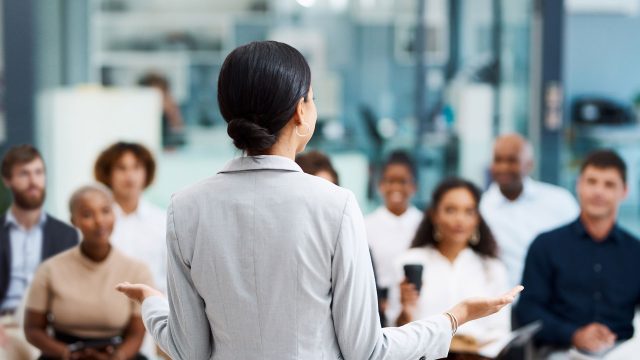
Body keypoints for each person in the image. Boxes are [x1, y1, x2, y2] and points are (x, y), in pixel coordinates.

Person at [116, 40, 522, 360]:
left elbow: (190, 350)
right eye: (311, 97)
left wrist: (154, 305)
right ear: (299, 111)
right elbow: (367, 350)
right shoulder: (336, 206)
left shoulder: (184, 208)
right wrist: (456, 317)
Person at [515, 150, 640, 357]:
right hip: (562, 349)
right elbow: (528, 310)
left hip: (623, 350)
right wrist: (574, 334)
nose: (598, 191)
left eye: (609, 185)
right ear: (578, 185)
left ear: (624, 191)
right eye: (591, 182)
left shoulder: (636, 252)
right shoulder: (546, 245)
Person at [24, 184, 154, 360]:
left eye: (106, 211)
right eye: (87, 214)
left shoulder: (137, 271)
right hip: (61, 354)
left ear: (114, 214)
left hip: (117, 355)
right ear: (73, 221)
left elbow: (136, 333)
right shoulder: (49, 269)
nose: (99, 220)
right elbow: (33, 329)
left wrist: (118, 356)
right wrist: (66, 353)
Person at [389, 178, 510, 346]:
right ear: (434, 215)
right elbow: (393, 332)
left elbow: (499, 331)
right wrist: (406, 311)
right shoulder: (409, 261)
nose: (460, 219)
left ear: (477, 218)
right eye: (450, 210)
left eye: (469, 211)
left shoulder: (492, 268)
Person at [0, 145, 78, 359]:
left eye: (38, 172)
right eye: (24, 173)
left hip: (49, 326)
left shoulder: (67, 235)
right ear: (7, 180)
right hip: (5, 326)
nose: (33, 180)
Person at [480, 134, 579, 287]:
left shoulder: (560, 201)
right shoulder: (480, 208)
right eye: (498, 160)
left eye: (512, 160)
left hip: (554, 301)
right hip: (501, 303)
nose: (503, 167)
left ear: (529, 164)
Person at [94, 142, 167, 295]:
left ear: (146, 173)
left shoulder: (163, 221)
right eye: (121, 168)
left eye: (137, 167)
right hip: (105, 311)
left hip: (152, 310)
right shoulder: (95, 222)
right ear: (108, 174)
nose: (130, 176)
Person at [366, 151, 423, 292]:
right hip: (380, 308)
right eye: (390, 181)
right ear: (381, 185)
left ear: (414, 187)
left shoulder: (424, 224)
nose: (396, 187)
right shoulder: (366, 225)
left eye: (403, 181)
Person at [138, 73, 186, 149]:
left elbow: (180, 137)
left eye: (162, 95)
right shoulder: (138, 119)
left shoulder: (169, 113)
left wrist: (172, 113)